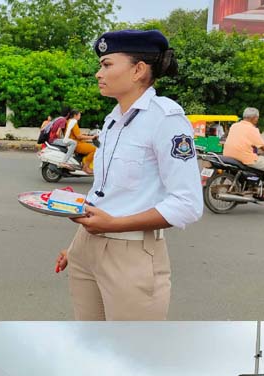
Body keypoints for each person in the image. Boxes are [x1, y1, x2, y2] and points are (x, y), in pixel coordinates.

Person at [53, 30, 203, 321]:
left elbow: (187, 204)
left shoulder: (166, 119)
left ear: (138, 70)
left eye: (107, 64)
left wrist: (116, 224)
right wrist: (76, 247)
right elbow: (104, 193)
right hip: (87, 247)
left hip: (131, 252)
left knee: (130, 353)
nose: (99, 73)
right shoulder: (113, 120)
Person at [224, 107, 264, 200]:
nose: (257, 120)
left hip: (229, 155)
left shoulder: (234, 126)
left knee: (260, 159)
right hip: (244, 157)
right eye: (257, 118)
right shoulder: (252, 129)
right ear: (254, 118)